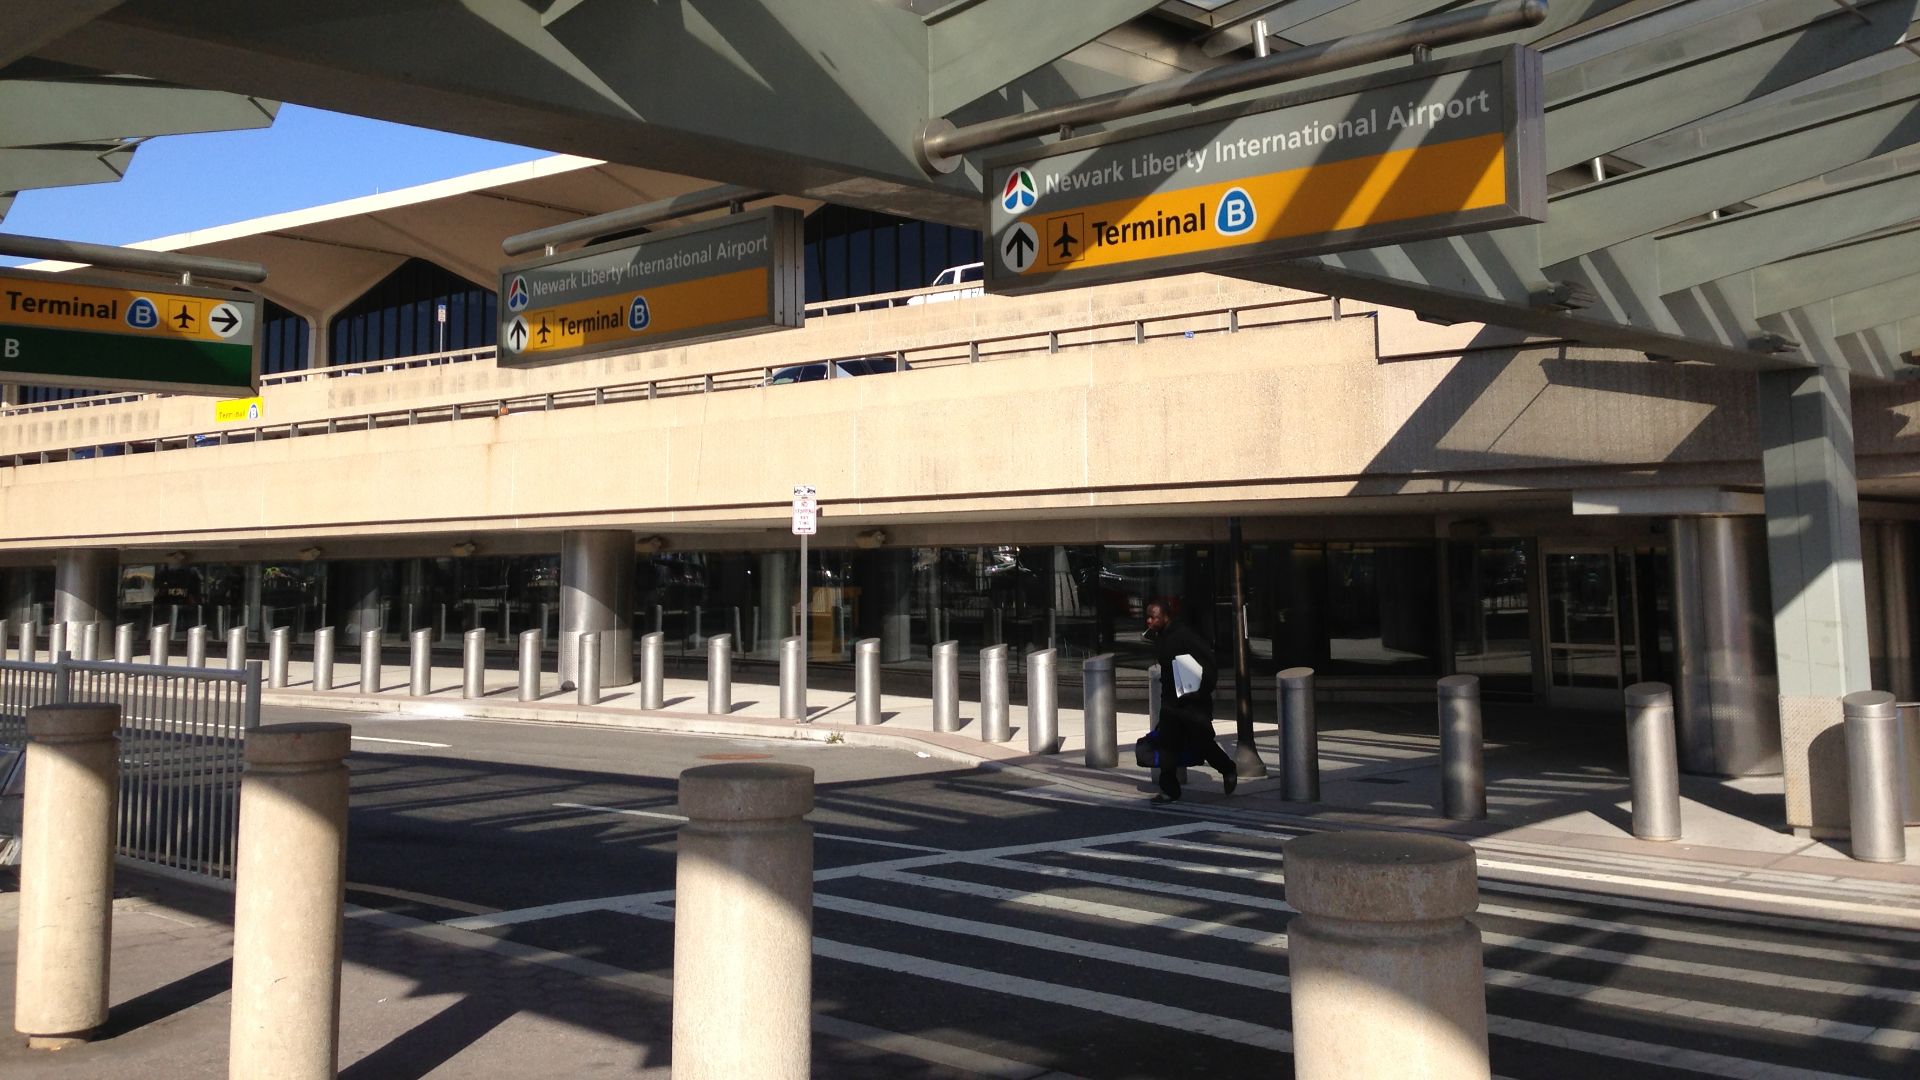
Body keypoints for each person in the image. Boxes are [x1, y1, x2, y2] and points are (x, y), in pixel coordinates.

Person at [1143, 600, 1237, 803]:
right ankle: (1169, 790)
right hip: (1171, 703)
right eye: (1148, 616)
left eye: (1154, 617)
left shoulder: (1184, 636)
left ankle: (1228, 768)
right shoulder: (1162, 637)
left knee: (1202, 743)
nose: (1149, 620)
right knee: (1167, 746)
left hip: (1192, 703)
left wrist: (1199, 692)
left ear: (1166, 616)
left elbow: (1207, 665)